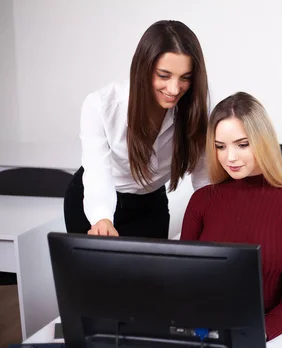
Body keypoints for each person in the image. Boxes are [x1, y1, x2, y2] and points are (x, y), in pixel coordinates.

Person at [180, 92, 282, 341]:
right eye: (220, 147)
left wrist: (252, 336)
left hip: (270, 334)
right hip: (208, 330)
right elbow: (184, 281)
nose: (230, 157)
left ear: (263, 141)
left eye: (242, 144)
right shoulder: (202, 200)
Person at [64, 20, 210, 239]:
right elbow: (97, 172)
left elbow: (204, 177)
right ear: (144, 68)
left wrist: (217, 215)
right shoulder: (101, 105)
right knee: (96, 274)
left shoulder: (193, 109)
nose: (174, 89)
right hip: (96, 200)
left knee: (152, 272)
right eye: (164, 75)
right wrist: (101, 218)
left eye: (185, 78)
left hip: (150, 204)